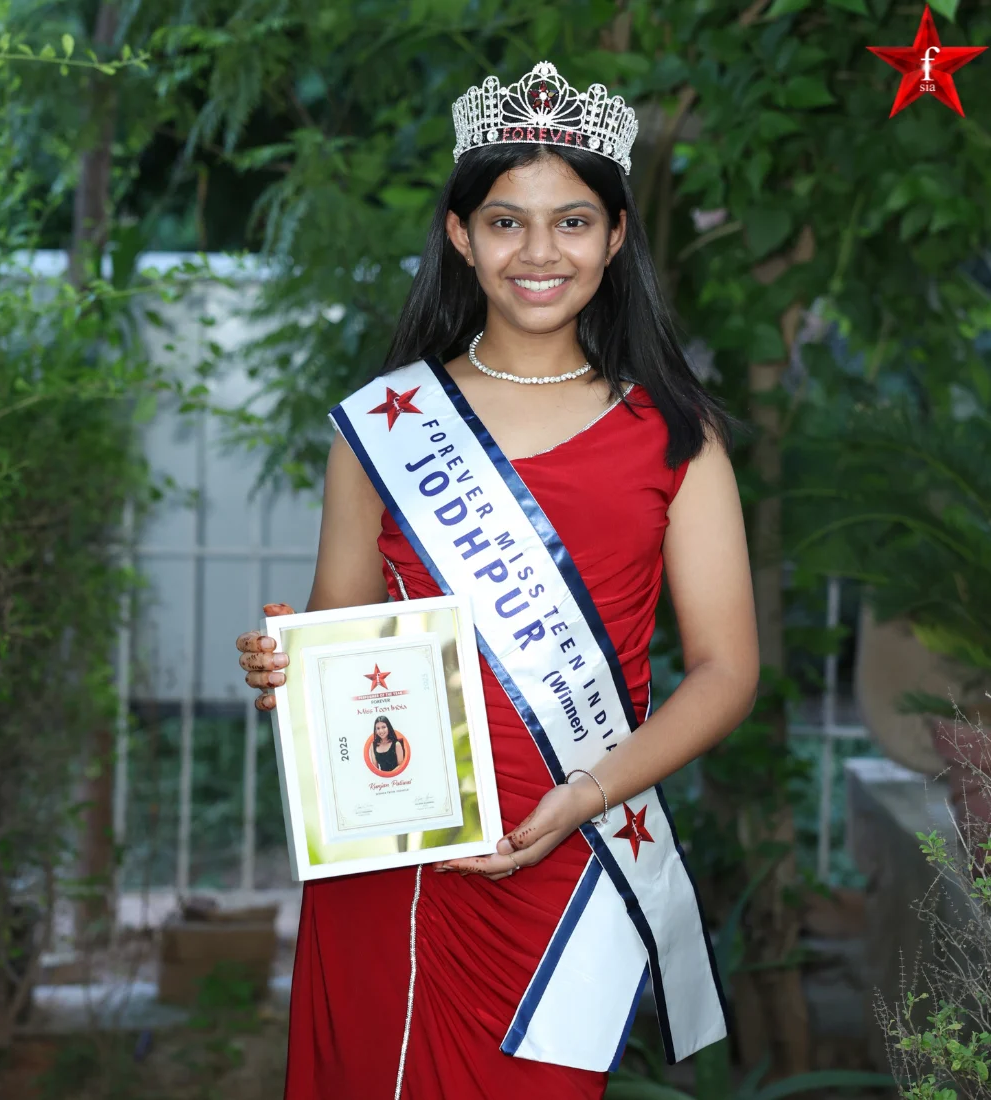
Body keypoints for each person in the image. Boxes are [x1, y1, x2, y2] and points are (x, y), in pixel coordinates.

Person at [237, 60, 759, 1100]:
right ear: (459, 234)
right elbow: (339, 632)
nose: (537, 252)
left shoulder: (674, 437)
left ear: (614, 239)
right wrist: (286, 667)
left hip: (568, 854)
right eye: (505, 220)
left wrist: (581, 798)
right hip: (388, 855)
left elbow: (724, 669)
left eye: (570, 222)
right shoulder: (385, 423)